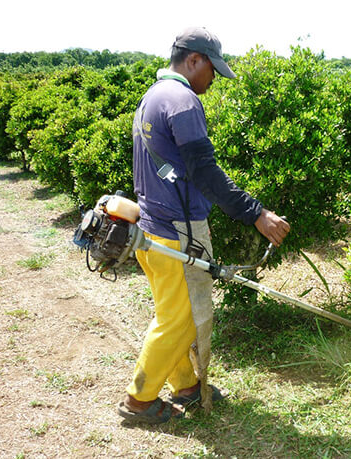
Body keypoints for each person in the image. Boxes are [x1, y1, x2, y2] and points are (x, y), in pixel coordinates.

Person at [117, 26, 290, 424]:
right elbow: (205, 172)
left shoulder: (151, 98)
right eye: (213, 70)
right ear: (194, 60)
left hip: (152, 224)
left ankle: (186, 386)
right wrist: (256, 213)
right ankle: (138, 400)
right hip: (177, 229)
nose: (213, 80)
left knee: (171, 310)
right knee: (181, 318)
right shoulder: (183, 101)